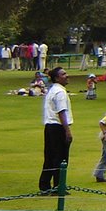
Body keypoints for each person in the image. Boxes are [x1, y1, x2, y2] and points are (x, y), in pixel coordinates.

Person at [39, 67, 74, 195]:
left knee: (50, 156)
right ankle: (59, 186)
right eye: (63, 74)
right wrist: (67, 130)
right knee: (61, 158)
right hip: (58, 127)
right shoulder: (60, 92)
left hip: (49, 126)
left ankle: (45, 185)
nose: (67, 75)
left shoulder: (52, 90)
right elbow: (61, 112)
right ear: (57, 78)